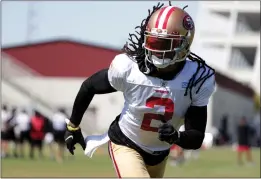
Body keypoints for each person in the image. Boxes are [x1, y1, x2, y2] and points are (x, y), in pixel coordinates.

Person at [64, 2, 216, 178]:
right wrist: (73, 126)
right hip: (126, 142)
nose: (158, 51)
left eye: (165, 44)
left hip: (160, 153)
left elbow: (196, 136)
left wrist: (177, 138)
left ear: (184, 44)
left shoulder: (196, 79)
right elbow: (89, 86)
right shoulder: (129, 68)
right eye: (154, 42)